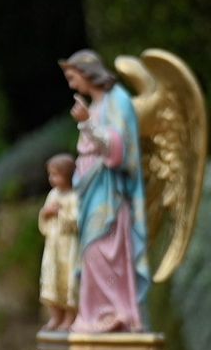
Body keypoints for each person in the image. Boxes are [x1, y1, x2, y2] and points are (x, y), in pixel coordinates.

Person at [60, 49, 151, 333]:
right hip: (90, 191)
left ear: (88, 73)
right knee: (91, 253)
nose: (73, 86)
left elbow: (119, 150)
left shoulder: (118, 100)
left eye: (74, 78)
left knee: (103, 251)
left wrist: (87, 123)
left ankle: (116, 311)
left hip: (109, 194)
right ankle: (96, 311)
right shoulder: (96, 106)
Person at [38, 153, 80, 331]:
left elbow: (77, 221)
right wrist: (46, 213)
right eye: (50, 174)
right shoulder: (52, 194)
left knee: (68, 280)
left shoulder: (74, 197)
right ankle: (56, 316)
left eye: (56, 174)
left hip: (68, 247)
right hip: (53, 246)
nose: (51, 178)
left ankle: (70, 317)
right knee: (51, 278)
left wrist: (60, 214)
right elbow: (44, 218)